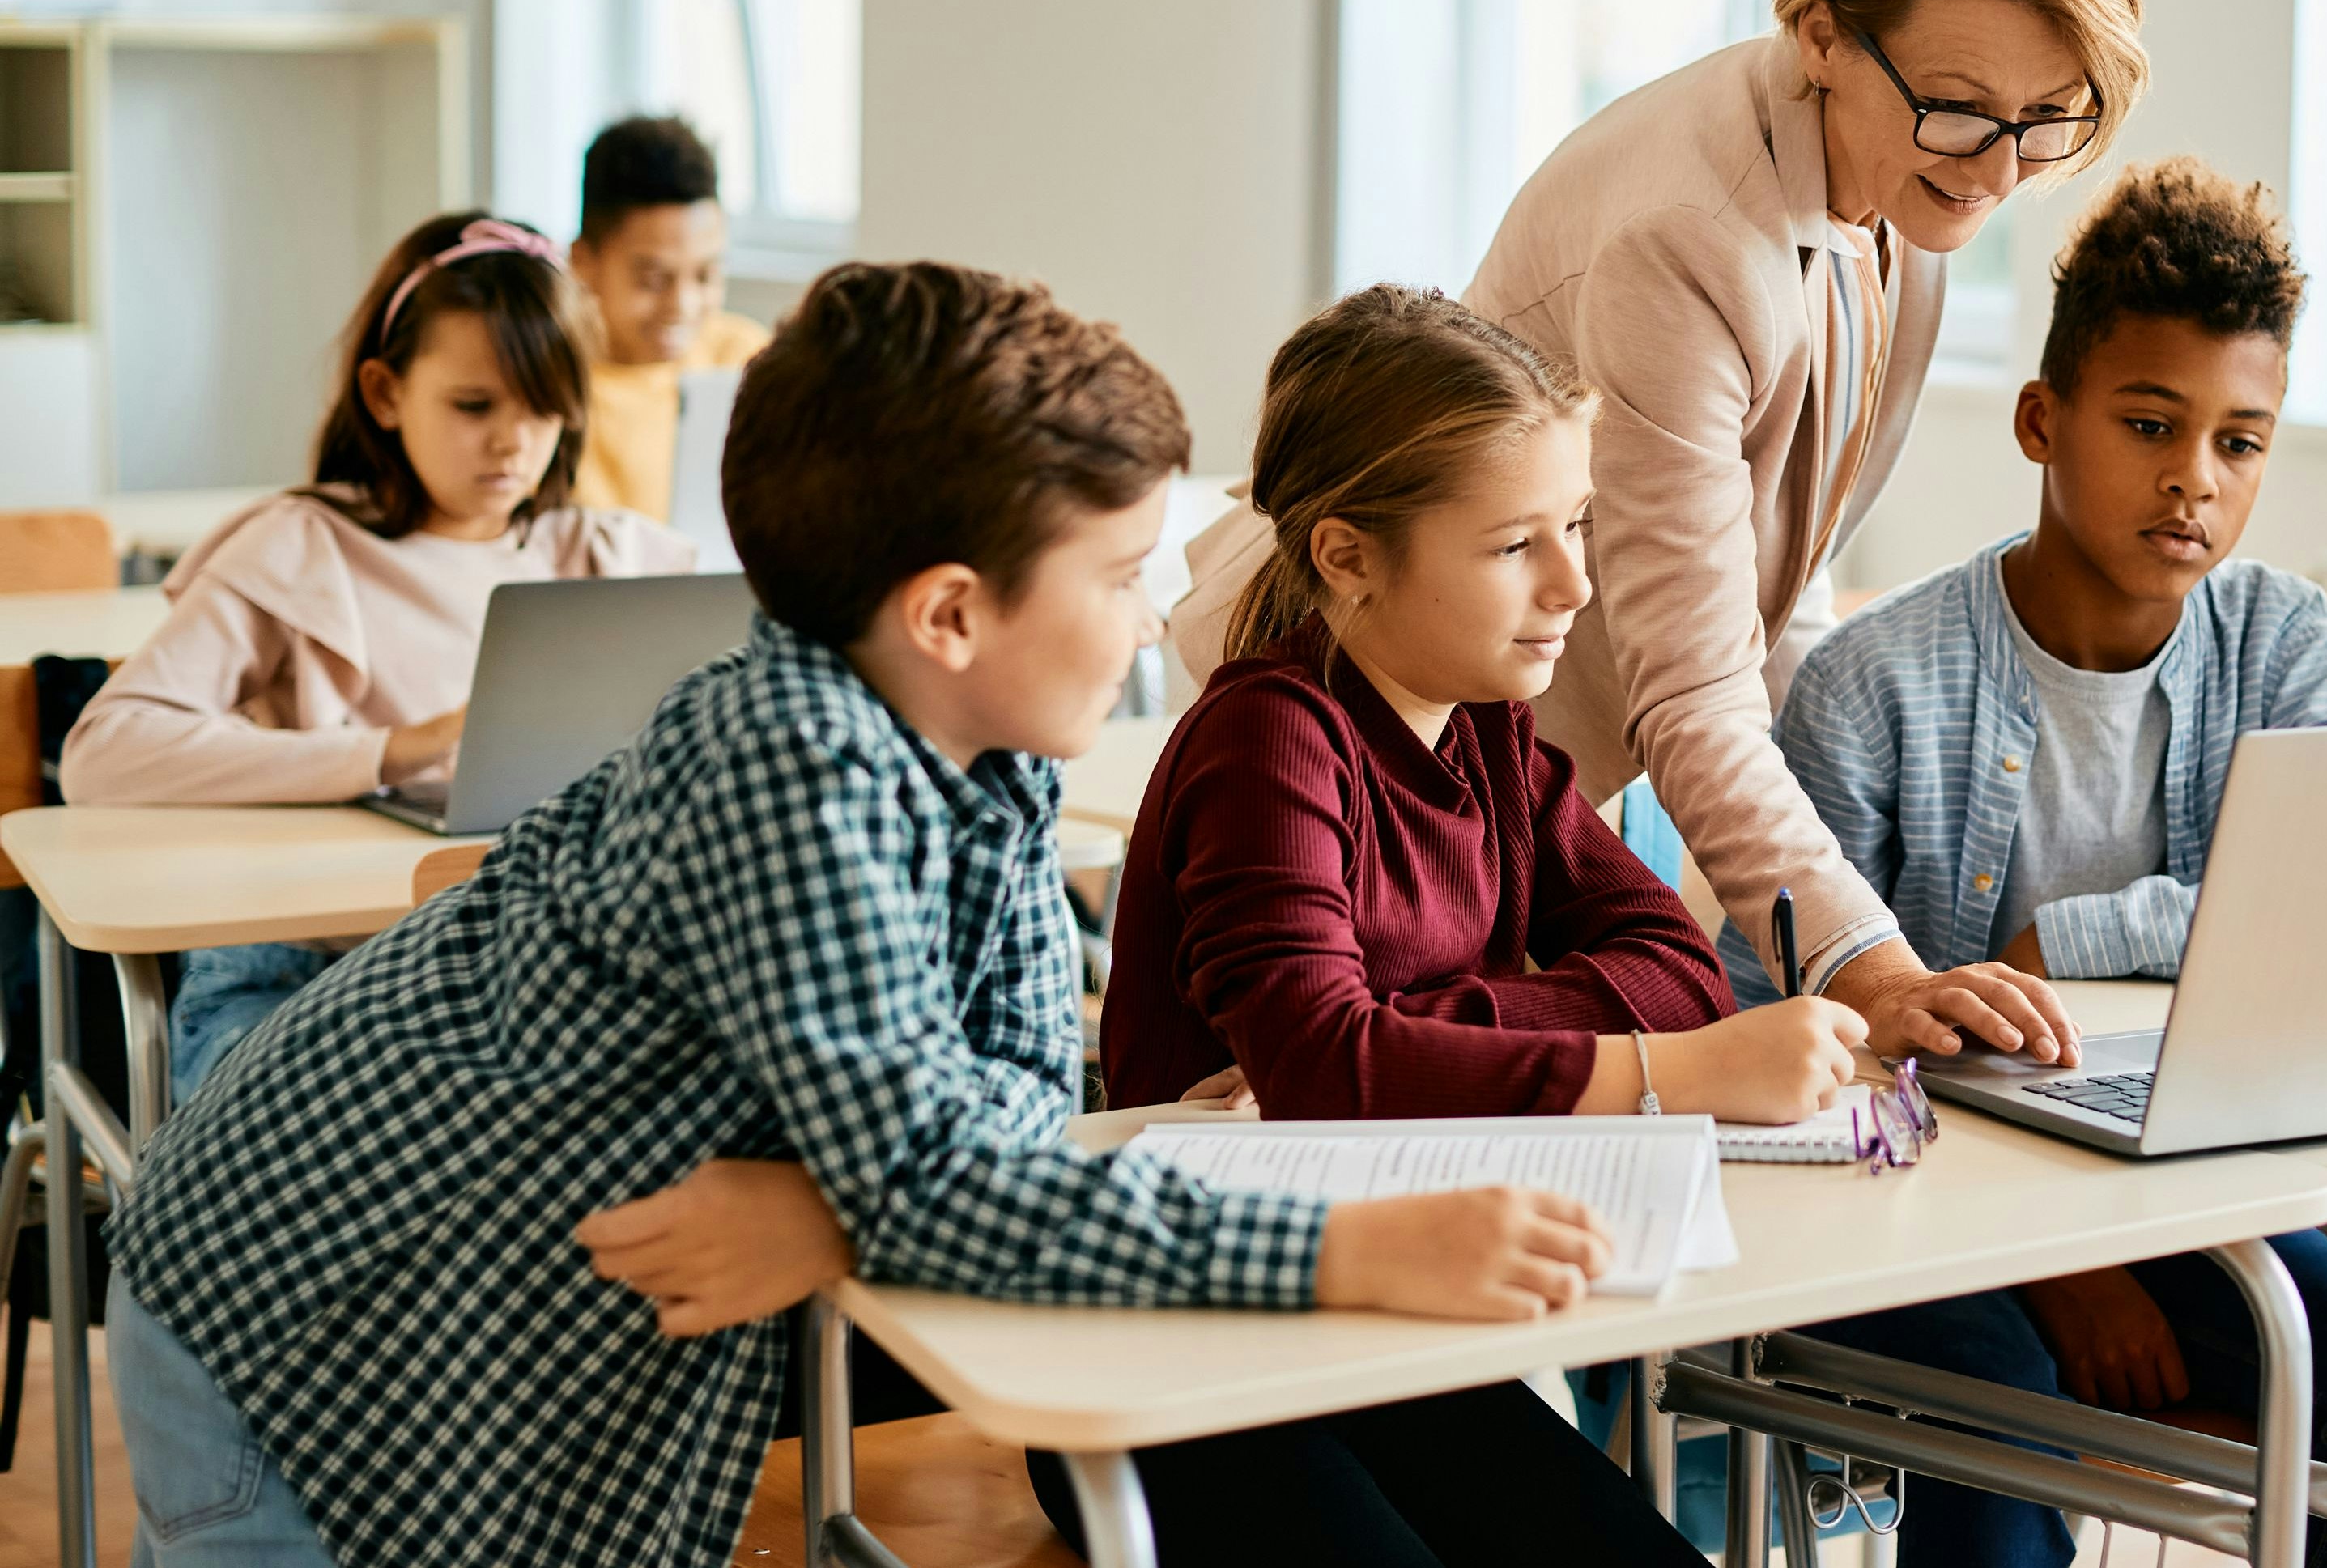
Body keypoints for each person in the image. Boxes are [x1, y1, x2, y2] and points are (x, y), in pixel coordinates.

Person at [99, 261, 1703, 1568]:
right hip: (298, 1324)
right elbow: (958, 1170)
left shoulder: (989, 758)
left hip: (498, 1329)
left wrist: (862, 1201)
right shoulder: (790, 763)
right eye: (1119, 574)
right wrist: (1351, 1242)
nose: (1154, 614)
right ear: (949, 613)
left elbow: (1021, 1102)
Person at [1174, 0, 2144, 1073]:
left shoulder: (1907, 186)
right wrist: (1871, 966)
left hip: (1514, 766)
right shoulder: (1690, 235)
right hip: (1367, 735)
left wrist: (1870, 918)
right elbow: (1693, 685)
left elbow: (1773, 599)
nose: (2000, 169)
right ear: (1822, 35)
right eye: (1961, 108)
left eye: (2050, 116)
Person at [1755, 159, 2327, 1568]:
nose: (2194, 478)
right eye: (2151, 424)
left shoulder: (2282, 643)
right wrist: (2065, 1266)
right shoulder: (1872, 685)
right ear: (2043, 420)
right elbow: (1783, 1031)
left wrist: (2069, 942)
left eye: (2240, 442)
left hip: (2178, 1190)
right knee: (2007, 1396)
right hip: (1916, 1201)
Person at [1100, 283, 1865, 1124]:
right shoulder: (1267, 741)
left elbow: (1683, 975)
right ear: (1347, 558)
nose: (1574, 586)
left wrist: (1392, 1043)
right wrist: (1668, 1072)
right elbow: (1321, 1067)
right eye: (1513, 545)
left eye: (1575, 526)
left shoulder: (1487, 731)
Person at [61, 210, 691, 1100]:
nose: (513, 440)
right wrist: (393, 750)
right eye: (474, 405)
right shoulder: (298, 547)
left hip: (523, 974)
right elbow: (103, 754)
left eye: (545, 407)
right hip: (306, 972)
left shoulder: (614, 556)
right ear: (386, 393)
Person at [565, 114, 772, 522]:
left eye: (706, 275)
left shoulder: (746, 360)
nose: (683, 306)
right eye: (653, 280)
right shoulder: (548, 390)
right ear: (583, 263)